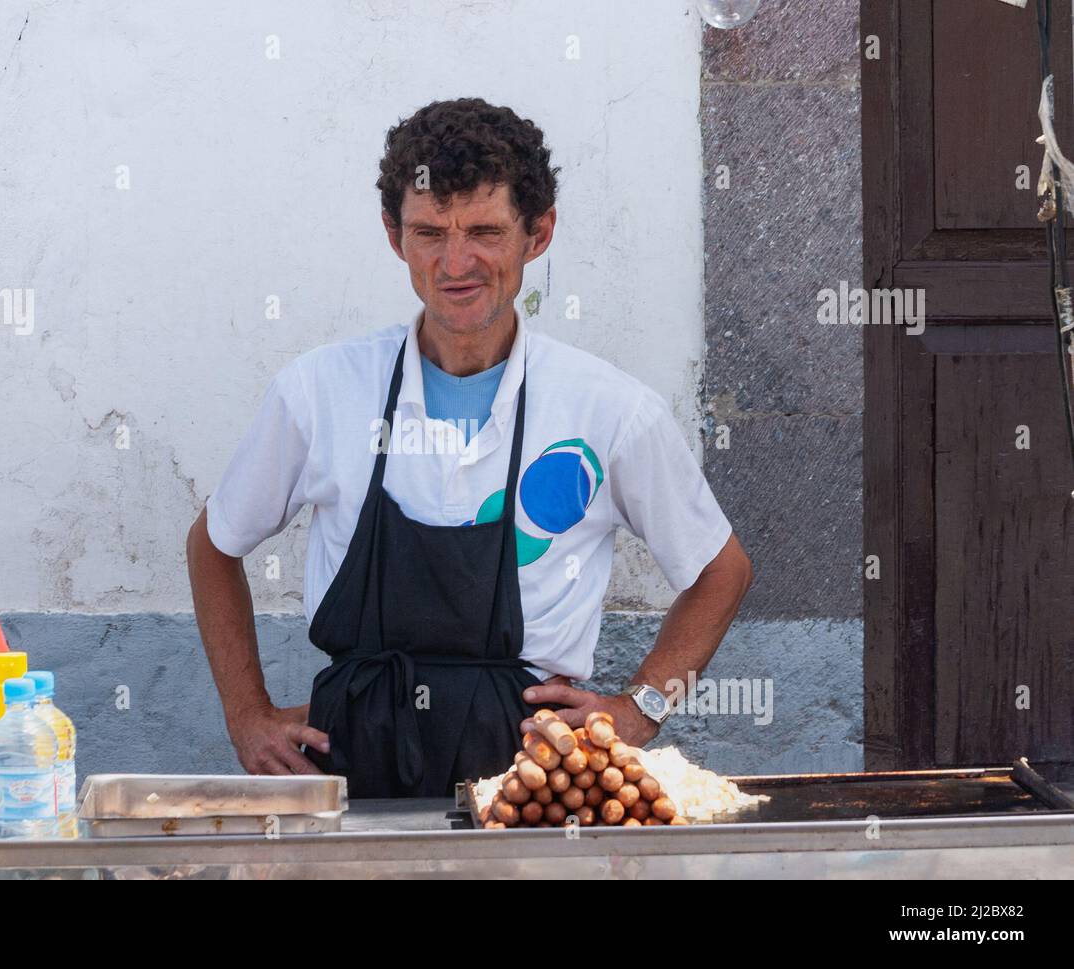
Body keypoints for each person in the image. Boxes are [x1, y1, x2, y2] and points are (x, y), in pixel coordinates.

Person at [187, 97, 752, 798]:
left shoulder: (610, 410)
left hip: (537, 783)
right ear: (396, 237)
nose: (456, 263)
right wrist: (247, 716)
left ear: (537, 233)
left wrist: (640, 709)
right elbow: (213, 543)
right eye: (430, 232)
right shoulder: (319, 392)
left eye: (485, 230)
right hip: (348, 774)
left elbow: (720, 569)